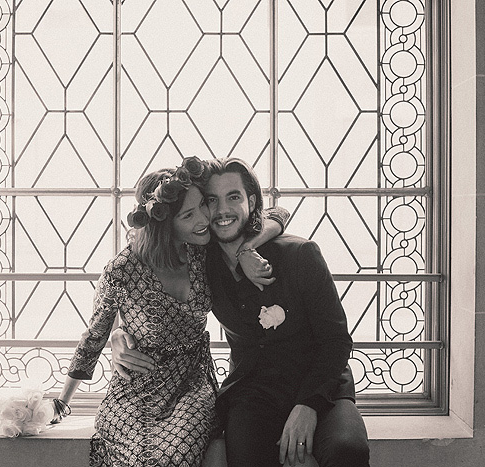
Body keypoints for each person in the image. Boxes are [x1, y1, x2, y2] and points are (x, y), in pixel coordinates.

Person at [112, 157, 370, 467]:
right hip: (253, 393)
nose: (221, 210)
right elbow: (142, 281)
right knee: (246, 455)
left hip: (322, 389)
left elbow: (336, 341)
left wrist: (308, 406)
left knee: (347, 450)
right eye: (211, 200)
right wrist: (119, 333)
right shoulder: (201, 263)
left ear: (250, 201)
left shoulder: (300, 255)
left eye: (233, 197)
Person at [51, 156, 289, 467]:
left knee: (170, 456)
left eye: (202, 205)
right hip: (136, 388)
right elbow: (94, 336)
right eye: (189, 215)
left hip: (192, 383)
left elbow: (279, 212)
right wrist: (62, 401)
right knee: (139, 455)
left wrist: (245, 249)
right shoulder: (121, 271)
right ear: (164, 223)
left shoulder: (204, 251)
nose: (204, 218)